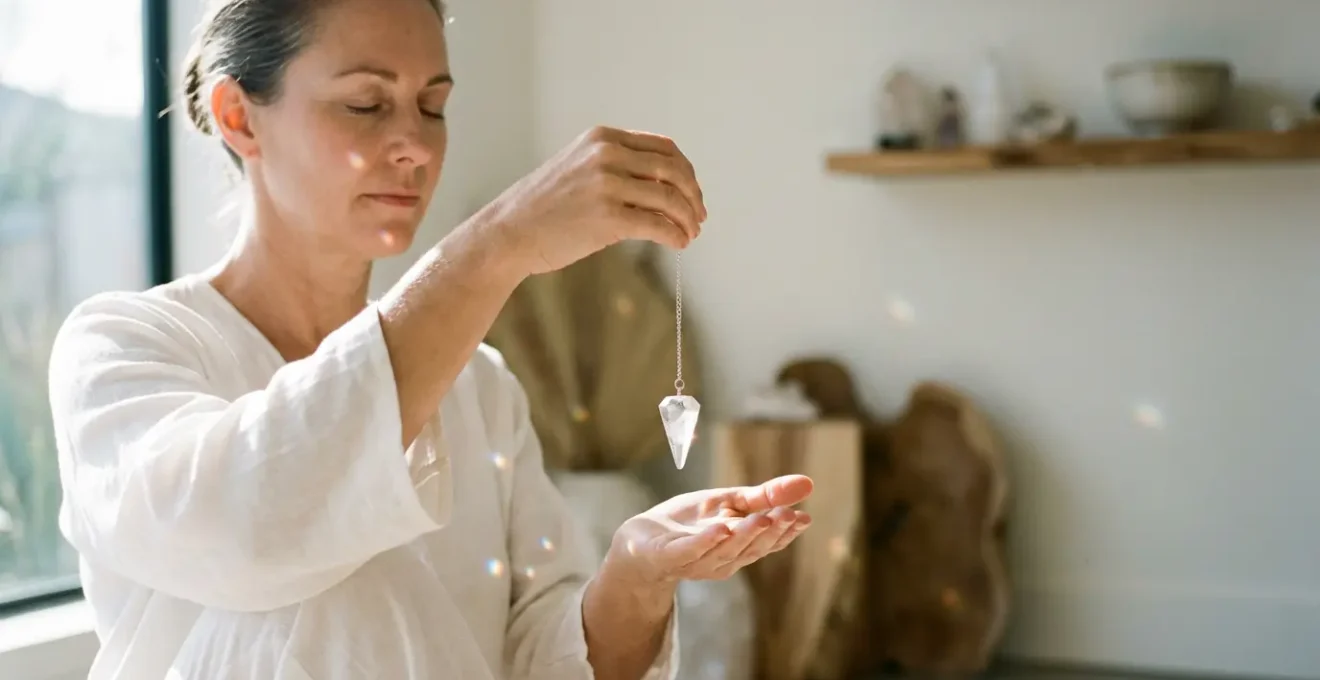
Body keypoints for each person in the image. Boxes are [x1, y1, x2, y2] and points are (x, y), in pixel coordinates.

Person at [46, 0, 815, 678]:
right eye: (366, 104)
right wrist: (496, 244)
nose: (414, 143)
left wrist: (635, 577)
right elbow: (252, 523)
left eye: (433, 105)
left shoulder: (480, 385)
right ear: (240, 117)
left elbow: (542, 661)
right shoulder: (125, 351)